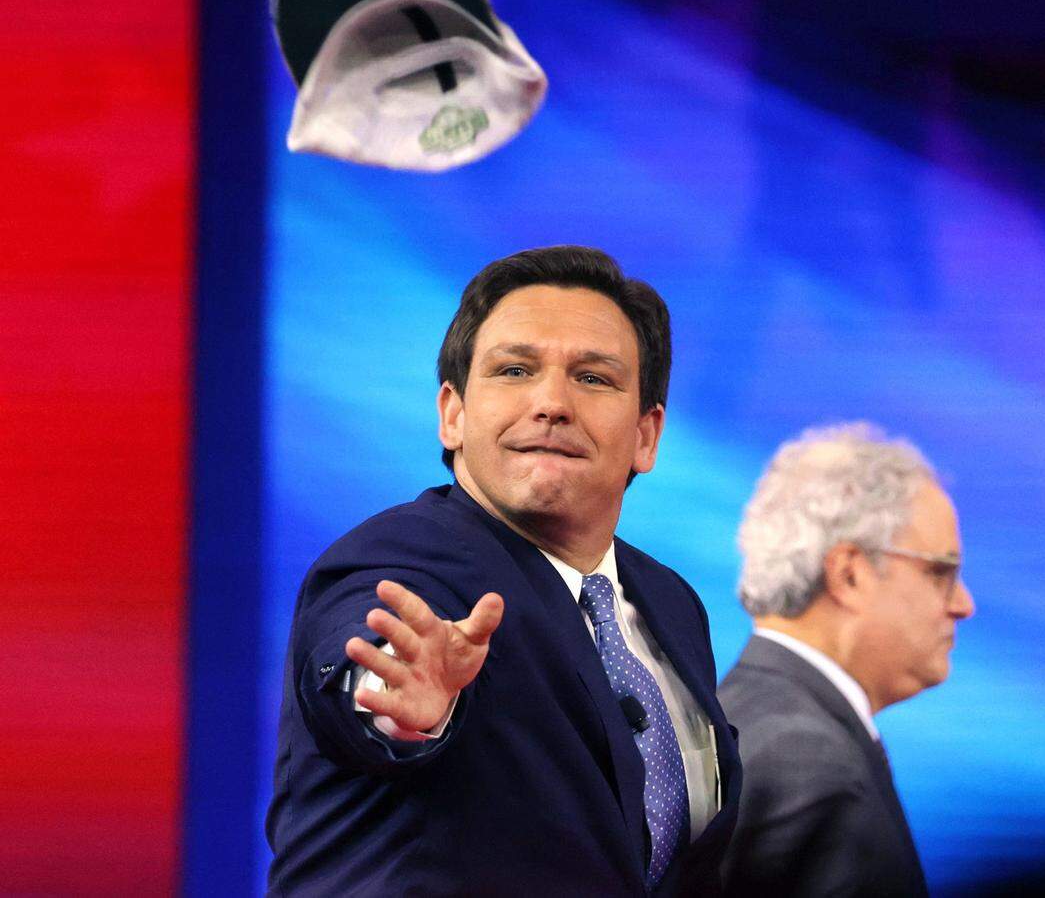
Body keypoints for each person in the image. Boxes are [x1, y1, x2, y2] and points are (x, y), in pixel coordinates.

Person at [266, 245, 741, 896]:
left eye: (593, 378)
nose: (551, 402)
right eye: (514, 370)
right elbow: (362, 642)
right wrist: (395, 704)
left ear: (646, 435)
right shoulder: (402, 558)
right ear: (452, 413)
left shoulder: (670, 601)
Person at [718, 423, 975, 897]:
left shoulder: (731, 715)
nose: (963, 603)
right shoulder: (815, 767)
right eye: (941, 571)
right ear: (849, 574)